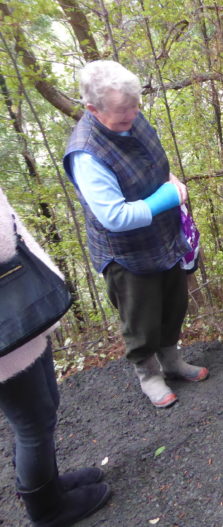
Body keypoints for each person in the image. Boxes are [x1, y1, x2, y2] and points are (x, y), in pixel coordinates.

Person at [63, 60, 208, 409]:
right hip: (126, 252)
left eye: (134, 106)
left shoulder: (131, 113)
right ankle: (150, 374)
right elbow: (114, 216)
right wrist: (165, 197)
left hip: (165, 238)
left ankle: (172, 361)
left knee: (174, 303)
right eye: (123, 113)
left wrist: (169, 178)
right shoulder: (86, 153)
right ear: (92, 109)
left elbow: (153, 157)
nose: (132, 115)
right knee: (140, 318)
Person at [0, 187, 111, 526]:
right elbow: (3, 242)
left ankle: (49, 486)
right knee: (32, 423)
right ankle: (47, 511)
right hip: (9, 332)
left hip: (23, 318)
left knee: (45, 408)